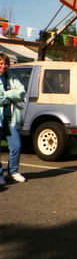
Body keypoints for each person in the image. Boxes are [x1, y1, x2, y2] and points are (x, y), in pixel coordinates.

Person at [0, 53, 26, 183]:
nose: (3, 66)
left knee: (16, 146)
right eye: (1, 64)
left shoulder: (12, 77)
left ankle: (13, 171)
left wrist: (5, 95)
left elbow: (21, 92)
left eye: (5, 64)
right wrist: (11, 94)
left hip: (11, 118)